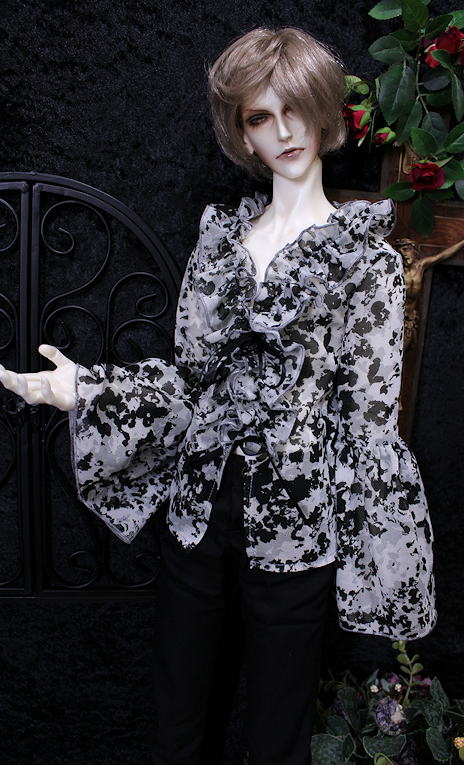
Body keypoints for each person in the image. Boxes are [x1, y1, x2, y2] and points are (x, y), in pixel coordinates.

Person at [0, 26, 437, 765]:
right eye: (260, 116)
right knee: (178, 709)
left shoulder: (366, 261)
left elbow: (367, 420)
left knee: (278, 724)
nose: (283, 132)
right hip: (199, 504)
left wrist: (377, 554)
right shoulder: (219, 244)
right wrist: (85, 388)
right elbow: (189, 382)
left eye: (294, 109)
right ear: (243, 133)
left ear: (324, 113)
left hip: (298, 515)